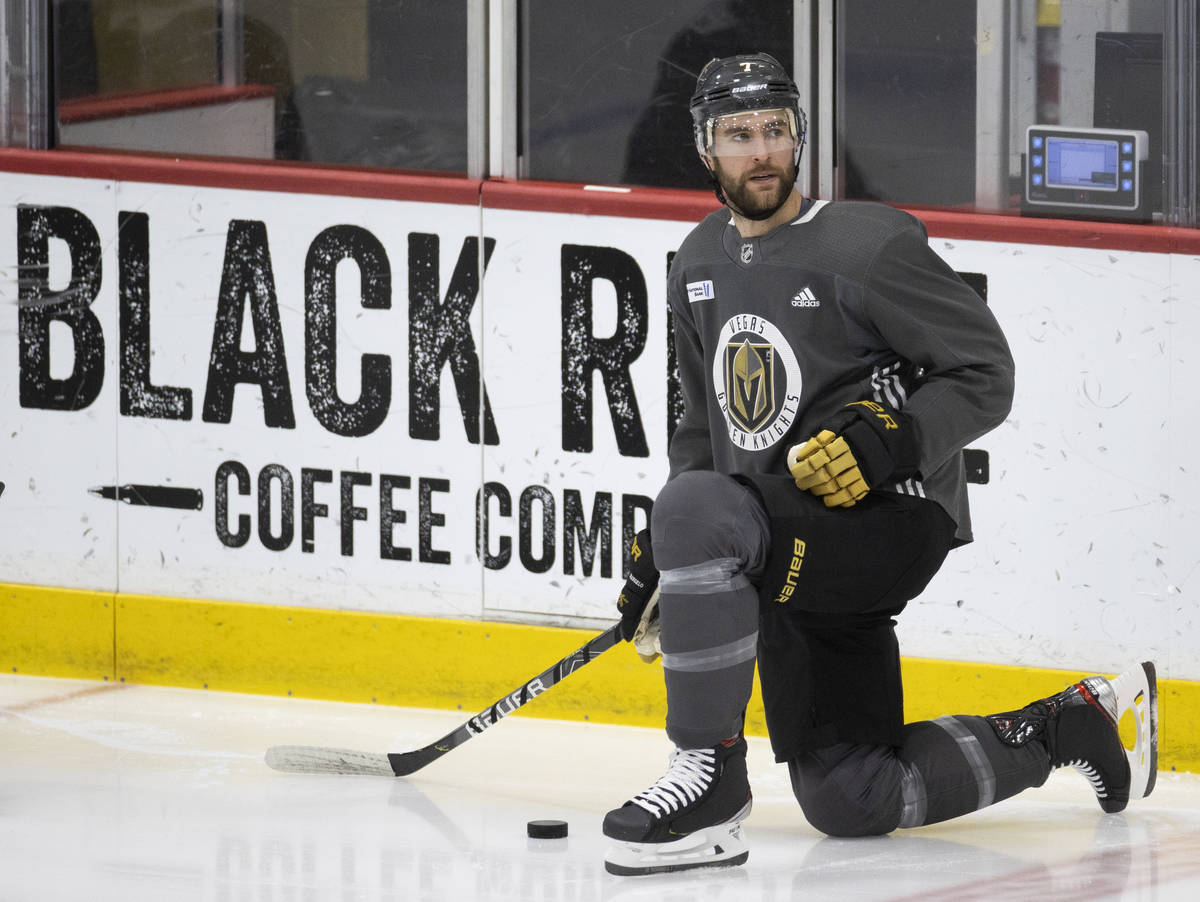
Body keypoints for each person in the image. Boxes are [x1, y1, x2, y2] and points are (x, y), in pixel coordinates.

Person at [602, 52, 1158, 877]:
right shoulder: (698, 262)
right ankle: (1068, 726)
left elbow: (985, 372)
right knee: (852, 797)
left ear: (799, 140)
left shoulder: (867, 245)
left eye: (777, 131)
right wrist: (667, 557)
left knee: (698, 513)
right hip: (787, 538)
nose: (762, 152)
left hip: (887, 521)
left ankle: (709, 780)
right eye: (738, 134)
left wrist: (886, 440)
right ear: (705, 150)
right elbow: (700, 426)